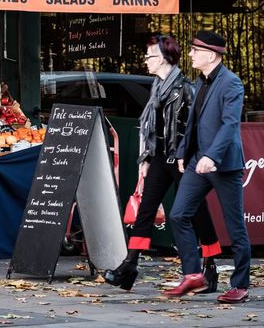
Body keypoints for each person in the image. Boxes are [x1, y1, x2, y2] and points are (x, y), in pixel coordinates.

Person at [105, 34, 221, 292]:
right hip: (160, 155)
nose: (145, 61)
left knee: (197, 211)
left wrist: (189, 157)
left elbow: (197, 128)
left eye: (150, 56)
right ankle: (130, 264)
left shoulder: (187, 88)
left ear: (164, 58)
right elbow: (152, 127)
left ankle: (210, 265)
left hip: (182, 158)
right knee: (146, 209)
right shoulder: (157, 86)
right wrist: (146, 157)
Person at [166, 31, 251, 304]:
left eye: (194, 50)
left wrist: (212, 156)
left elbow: (230, 125)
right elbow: (193, 123)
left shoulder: (231, 83)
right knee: (178, 214)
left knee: (234, 225)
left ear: (211, 55)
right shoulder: (201, 82)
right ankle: (192, 273)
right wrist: (183, 153)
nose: (189, 54)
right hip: (197, 161)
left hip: (223, 164)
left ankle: (240, 285)